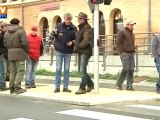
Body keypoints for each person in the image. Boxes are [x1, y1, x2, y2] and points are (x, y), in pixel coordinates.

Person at [51, 12, 77, 93]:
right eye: (67, 19)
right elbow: (52, 36)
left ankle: (66, 87)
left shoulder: (74, 28)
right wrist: (51, 44)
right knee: (58, 69)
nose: (68, 21)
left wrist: (72, 42)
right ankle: (57, 87)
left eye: (69, 19)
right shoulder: (58, 26)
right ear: (64, 19)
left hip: (68, 51)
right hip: (59, 50)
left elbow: (77, 39)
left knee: (66, 69)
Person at [4, 18, 29, 94]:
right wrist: (27, 50)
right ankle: (17, 87)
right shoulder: (21, 32)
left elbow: (5, 45)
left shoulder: (6, 33)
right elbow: (25, 43)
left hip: (10, 54)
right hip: (20, 54)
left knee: (12, 72)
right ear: (18, 23)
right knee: (20, 71)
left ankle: (11, 88)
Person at [74, 12, 94, 94]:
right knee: (81, 70)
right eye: (78, 18)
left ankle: (82, 87)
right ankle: (90, 84)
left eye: (80, 18)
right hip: (81, 51)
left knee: (82, 70)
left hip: (85, 51)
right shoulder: (81, 28)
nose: (78, 20)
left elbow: (85, 41)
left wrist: (78, 46)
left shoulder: (86, 28)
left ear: (84, 20)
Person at [116, 20, 136, 91]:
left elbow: (132, 43)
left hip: (131, 53)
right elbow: (118, 42)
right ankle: (119, 84)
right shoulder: (122, 32)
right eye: (131, 25)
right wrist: (121, 52)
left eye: (133, 25)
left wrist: (134, 49)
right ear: (127, 25)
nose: (132, 26)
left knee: (131, 69)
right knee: (126, 69)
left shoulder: (132, 33)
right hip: (125, 53)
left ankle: (129, 86)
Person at [0, 21, 9, 91]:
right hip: (1, 55)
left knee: (2, 70)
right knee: (3, 70)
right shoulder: (2, 35)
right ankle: (2, 85)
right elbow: (3, 46)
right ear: (4, 27)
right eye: (7, 26)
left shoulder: (3, 34)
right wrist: (3, 53)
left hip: (2, 54)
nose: (7, 27)